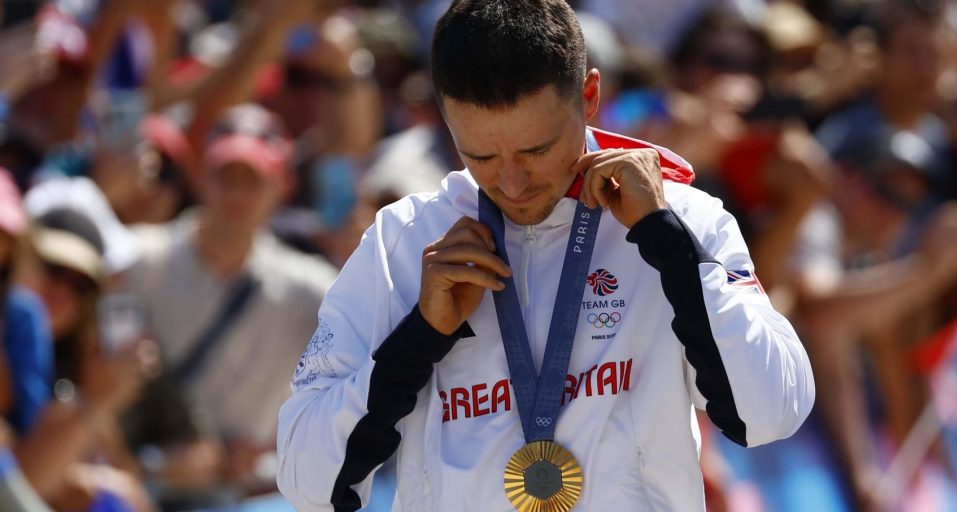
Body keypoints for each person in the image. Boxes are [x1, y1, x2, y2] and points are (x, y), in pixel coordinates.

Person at [277, 1, 815, 511]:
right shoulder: (404, 240)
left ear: (589, 96)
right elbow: (308, 483)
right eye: (481, 154)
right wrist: (416, 338)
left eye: (536, 150)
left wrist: (668, 248)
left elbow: (771, 412)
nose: (511, 182)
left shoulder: (678, 219)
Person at [124, 103, 336, 501]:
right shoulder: (140, 262)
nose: (237, 194)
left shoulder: (311, 290)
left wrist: (270, 448)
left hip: (248, 494)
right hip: (144, 484)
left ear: (282, 186)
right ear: (202, 177)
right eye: (226, 176)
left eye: (252, 179)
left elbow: (356, 393)